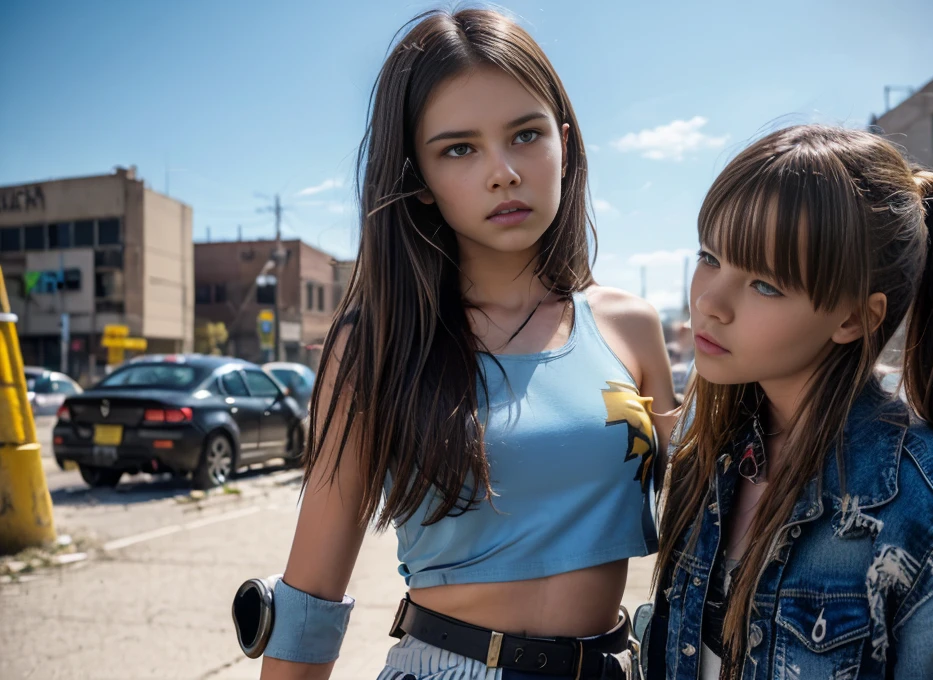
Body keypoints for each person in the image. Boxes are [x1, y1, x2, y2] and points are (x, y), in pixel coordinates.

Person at [247, 8, 676, 680]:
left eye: (526, 134)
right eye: (459, 149)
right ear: (417, 178)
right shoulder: (379, 343)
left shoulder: (630, 327)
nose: (503, 171)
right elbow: (311, 593)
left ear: (564, 142)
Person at [647, 125, 933, 679]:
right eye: (710, 256)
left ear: (854, 318)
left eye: (765, 285)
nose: (710, 302)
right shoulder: (714, 459)